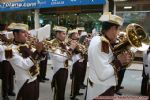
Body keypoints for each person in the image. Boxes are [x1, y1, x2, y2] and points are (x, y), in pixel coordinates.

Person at [86, 12, 131, 100]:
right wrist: (119, 61)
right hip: (102, 90)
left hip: (99, 88)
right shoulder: (102, 43)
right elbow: (103, 74)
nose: (118, 33)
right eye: (118, 29)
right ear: (113, 28)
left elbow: (106, 60)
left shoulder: (98, 38)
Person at [4, 23, 44, 100]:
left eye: (26, 32)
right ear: (15, 34)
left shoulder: (28, 45)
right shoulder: (9, 50)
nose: (26, 34)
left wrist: (42, 52)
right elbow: (24, 64)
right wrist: (37, 52)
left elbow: (39, 59)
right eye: (23, 32)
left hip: (35, 78)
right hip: (24, 82)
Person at [50, 26, 77, 100]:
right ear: (57, 34)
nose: (65, 36)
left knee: (62, 90)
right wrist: (71, 48)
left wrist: (74, 49)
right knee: (59, 91)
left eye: (65, 34)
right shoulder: (53, 43)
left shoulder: (62, 43)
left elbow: (69, 54)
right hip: (58, 69)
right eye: (63, 34)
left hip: (65, 68)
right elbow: (60, 58)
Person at [68, 29, 88, 100]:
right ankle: (72, 95)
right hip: (76, 62)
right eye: (76, 34)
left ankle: (77, 91)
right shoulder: (71, 42)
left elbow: (83, 50)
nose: (78, 35)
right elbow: (71, 51)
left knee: (79, 78)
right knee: (75, 79)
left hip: (81, 61)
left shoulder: (78, 42)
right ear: (72, 35)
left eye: (77, 34)